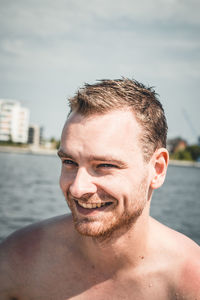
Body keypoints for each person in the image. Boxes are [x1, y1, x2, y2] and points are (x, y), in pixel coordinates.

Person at [0, 78, 199, 300]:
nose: (77, 188)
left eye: (104, 165)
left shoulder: (190, 280)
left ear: (157, 169)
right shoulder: (21, 258)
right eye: (69, 162)